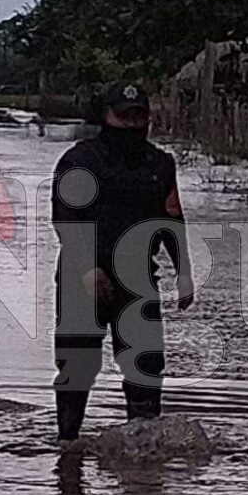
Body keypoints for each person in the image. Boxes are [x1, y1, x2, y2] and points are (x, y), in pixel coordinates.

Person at [50, 82, 194, 446]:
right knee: (76, 369)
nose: (131, 125)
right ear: (106, 116)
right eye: (123, 116)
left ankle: (143, 472)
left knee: (145, 369)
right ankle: (67, 453)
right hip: (80, 279)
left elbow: (172, 220)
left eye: (139, 116)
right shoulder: (80, 160)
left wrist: (185, 271)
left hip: (138, 279)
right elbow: (66, 217)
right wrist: (87, 268)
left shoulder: (160, 164)